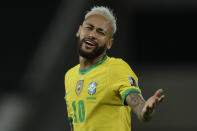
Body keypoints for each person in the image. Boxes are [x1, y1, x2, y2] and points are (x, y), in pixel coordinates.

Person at [64, 6, 165, 131]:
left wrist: (145, 111)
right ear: (79, 30)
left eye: (100, 32)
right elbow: (74, 124)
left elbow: (138, 105)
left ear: (109, 43)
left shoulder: (116, 68)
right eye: (89, 28)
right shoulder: (70, 76)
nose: (92, 35)